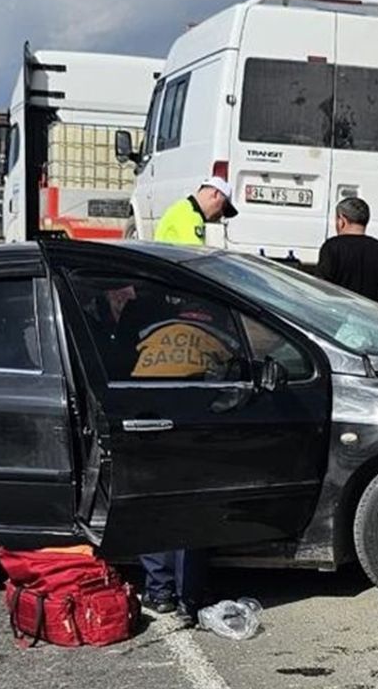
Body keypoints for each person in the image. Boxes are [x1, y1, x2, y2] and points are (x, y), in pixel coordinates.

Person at [140, 177, 236, 624]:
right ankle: (187, 598)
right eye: (222, 209)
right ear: (214, 196)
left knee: (156, 505)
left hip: (151, 412)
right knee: (189, 506)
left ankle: (161, 592)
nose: (219, 218)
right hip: (191, 411)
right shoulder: (189, 231)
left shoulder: (145, 311)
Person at [315, 197, 378, 313]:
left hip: (338, 318)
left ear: (342, 220)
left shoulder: (331, 248)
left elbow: (321, 287)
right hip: (372, 321)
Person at [154, 176, 237, 245]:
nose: (221, 215)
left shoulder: (183, 207)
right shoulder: (189, 215)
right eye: (223, 208)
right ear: (215, 194)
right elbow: (195, 256)